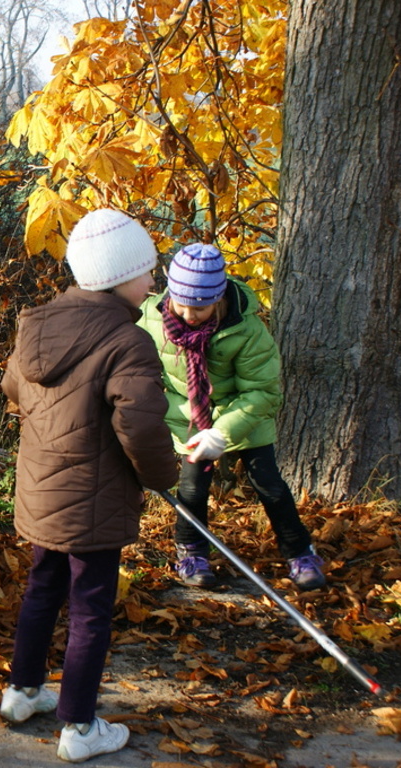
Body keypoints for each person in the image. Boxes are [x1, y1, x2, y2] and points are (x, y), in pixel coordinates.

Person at [0, 209, 179, 763]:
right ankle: (79, 726)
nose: (154, 282)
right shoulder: (128, 342)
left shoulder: (39, 325)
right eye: (148, 271)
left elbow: (12, 387)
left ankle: (22, 692)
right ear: (120, 276)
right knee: (91, 608)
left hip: (41, 491)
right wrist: (161, 477)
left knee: (42, 588)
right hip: (93, 502)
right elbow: (143, 426)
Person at [138, 243, 326, 590]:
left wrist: (221, 431)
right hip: (191, 415)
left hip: (243, 414)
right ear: (170, 294)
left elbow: (263, 391)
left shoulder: (247, 330)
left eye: (202, 306)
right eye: (183, 304)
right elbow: (144, 373)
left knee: (269, 484)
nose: (190, 315)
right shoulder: (150, 318)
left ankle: (300, 552)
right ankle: (192, 552)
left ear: (219, 297)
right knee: (192, 488)